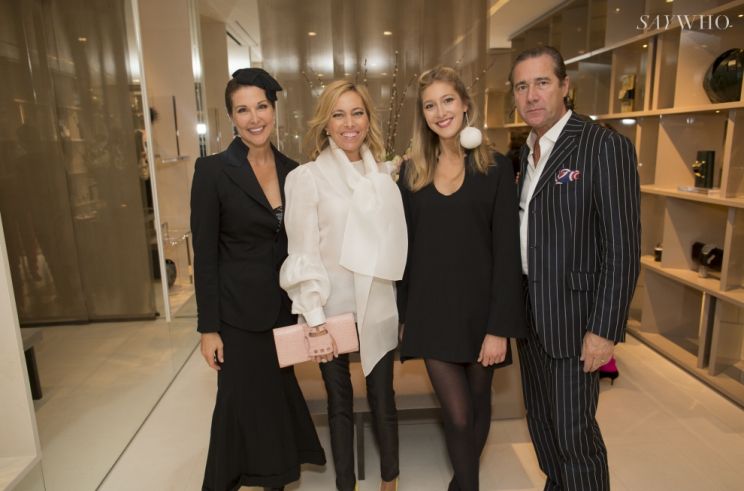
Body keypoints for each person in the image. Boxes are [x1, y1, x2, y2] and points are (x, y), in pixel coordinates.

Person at [511, 45, 640, 490]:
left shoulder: (603, 146)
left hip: (575, 319)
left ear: (565, 86)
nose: (531, 96)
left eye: (542, 83)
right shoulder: (526, 152)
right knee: (542, 424)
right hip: (530, 315)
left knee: (575, 435)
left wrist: (604, 329)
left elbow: (623, 249)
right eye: (521, 86)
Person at [191, 68, 325, 491]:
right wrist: (208, 328)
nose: (254, 118)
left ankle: (275, 479)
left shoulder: (294, 171)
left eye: (261, 106)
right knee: (239, 403)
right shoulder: (212, 171)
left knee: (274, 401)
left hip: (282, 310)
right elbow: (204, 255)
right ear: (231, 117)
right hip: (236, 313)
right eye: (242, 110)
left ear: (274, 109)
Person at [396, 66, 527, 491]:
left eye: (447, 100)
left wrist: (499, 328)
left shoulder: (495, 169)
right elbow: (405, 252)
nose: (440, 112)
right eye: (430, 105)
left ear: (465, 103)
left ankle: (461, 484)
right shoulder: (411, 174)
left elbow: (507, 253)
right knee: (457, 414)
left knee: (477, 403)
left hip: (480, 313)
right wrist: (404, 314)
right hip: (430, 311)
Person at [280, 79, 406, 491]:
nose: (349, 123)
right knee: (339, 403)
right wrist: (314, 319)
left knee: (384, 399)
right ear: (326, 123)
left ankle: (390, 482)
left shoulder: (383, 174)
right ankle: (346, 486)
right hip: (331, 307)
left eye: (357, 113)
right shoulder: (307, 178)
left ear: (368, 119)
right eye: (338, 114)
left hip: (378, 304)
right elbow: (302, 251)